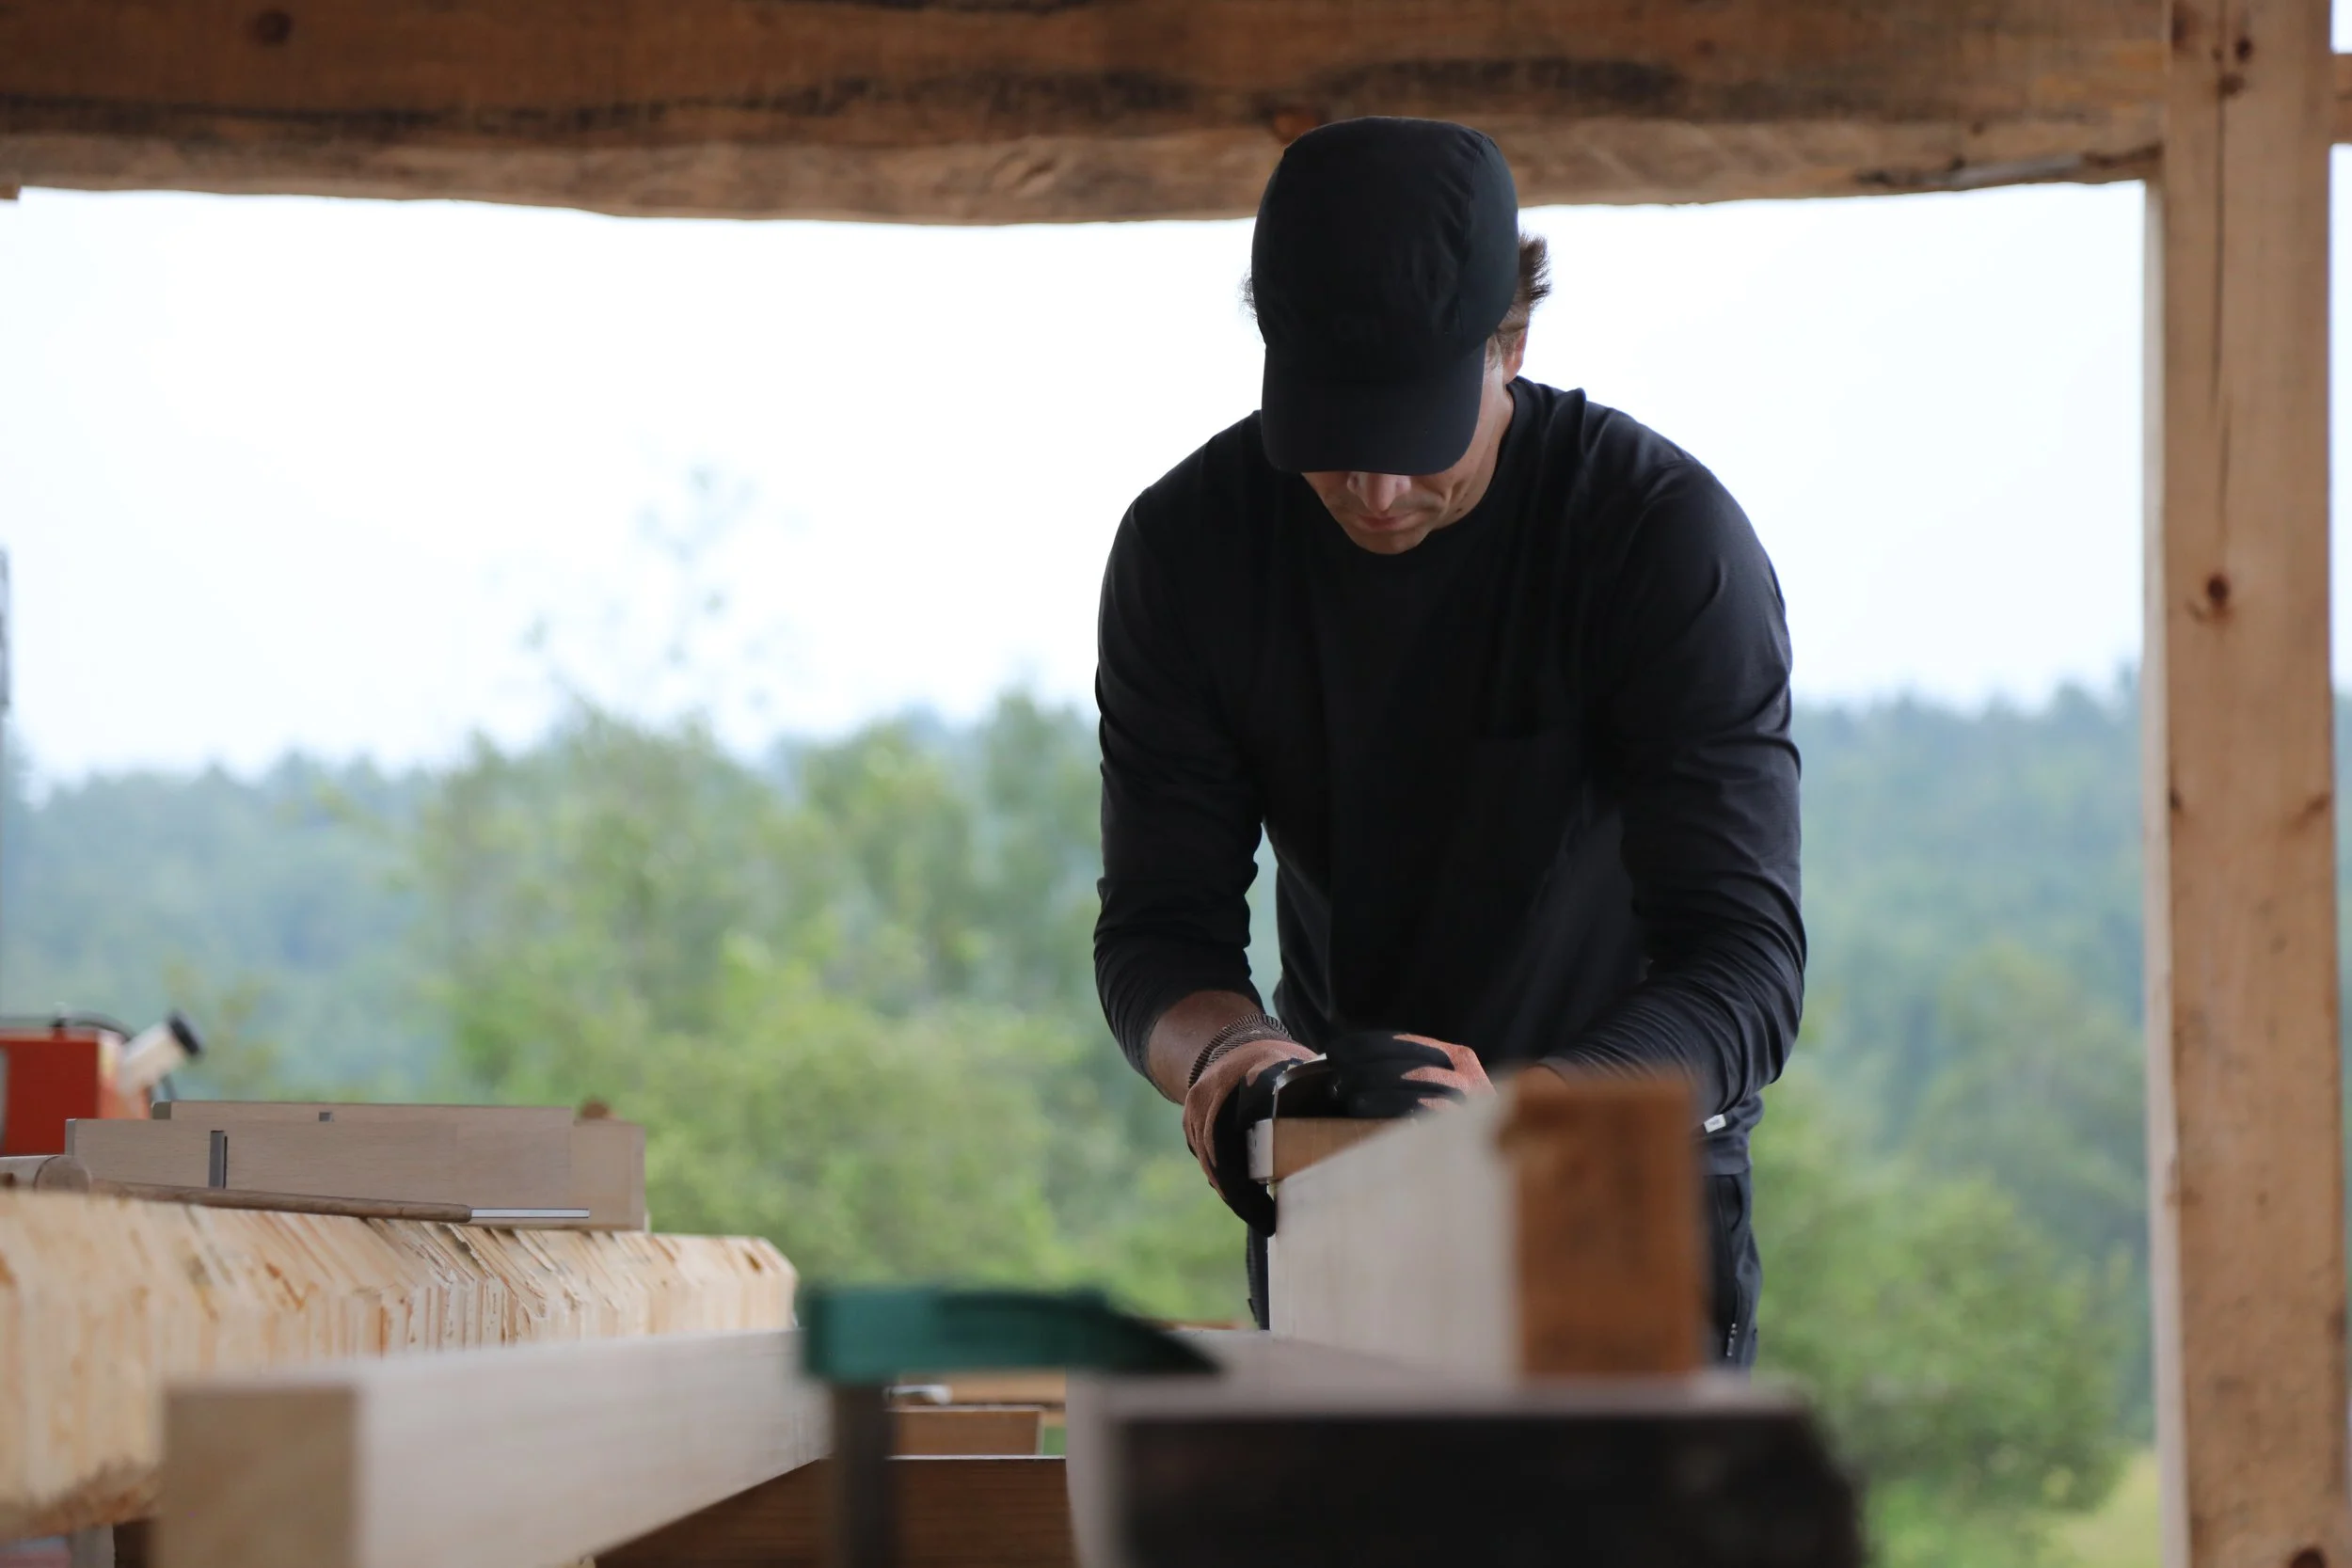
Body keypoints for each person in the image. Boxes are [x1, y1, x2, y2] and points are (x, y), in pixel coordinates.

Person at [1091, 117, 1803, 1363]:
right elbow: (1159, 932)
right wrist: (1238, 1057)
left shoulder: (1660, 540)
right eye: (1335, 434)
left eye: (1416, 437)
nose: (1375, 491)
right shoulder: (1187, 553)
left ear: (1510, 345)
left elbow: (1746, 962)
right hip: (1339, 1186)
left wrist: (1520, 1118)